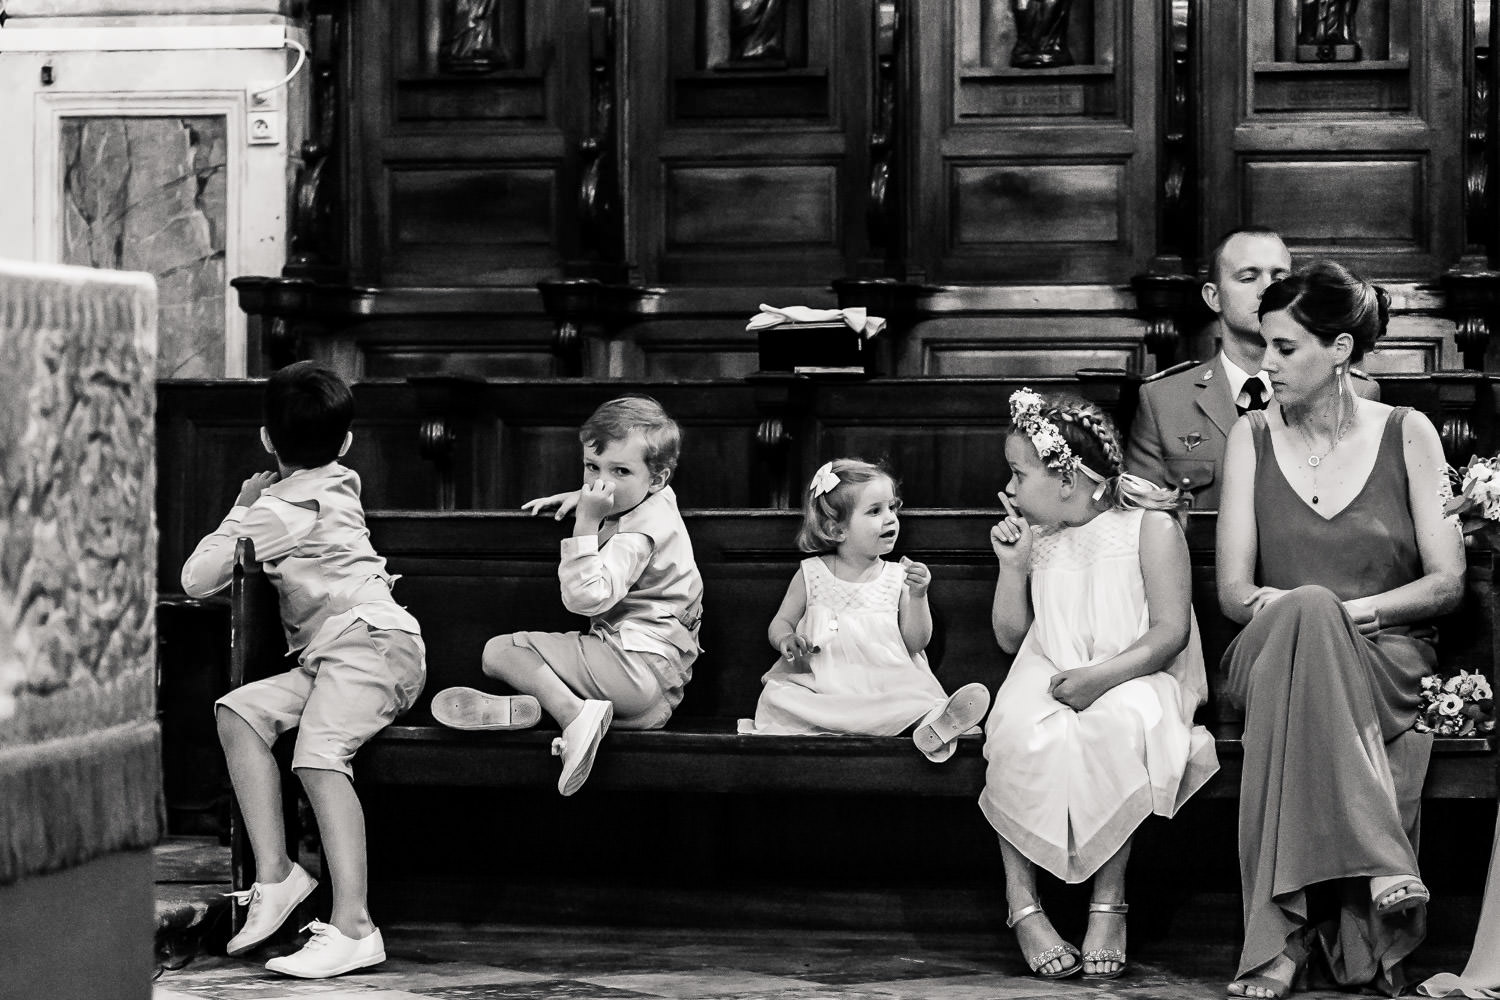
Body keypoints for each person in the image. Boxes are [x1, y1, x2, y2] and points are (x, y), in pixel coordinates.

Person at [1216, 261, 1464, 998]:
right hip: (1268, 655)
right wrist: (1314, 612)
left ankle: (1281, 942)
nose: (1265, 365)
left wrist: (1357, 612)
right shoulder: (1250, 437)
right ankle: (1383, 856)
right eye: (1263, 345)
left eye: (1285, 348)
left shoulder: (1409, 433)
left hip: (1383, 660)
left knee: (1320, 616)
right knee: (1307, 612)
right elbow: (1234, 593)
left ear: (1341, 350)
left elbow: (1447, 583)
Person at [181, 361, 426, 979]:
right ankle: (279, 874)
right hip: (336, 654)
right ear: (345, 442)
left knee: (318, 756)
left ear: (266, 440)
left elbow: (196, 577)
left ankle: (354, 927)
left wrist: (241, 507)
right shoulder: (339, 477)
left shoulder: (281, 508)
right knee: (239, 713)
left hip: (373, 647)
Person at [984, 389, 1219, 981]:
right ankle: (1024, 905)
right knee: (1018, 734)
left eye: (1018, 473)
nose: (1008, 489)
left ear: (1067, 480)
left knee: (1115, 729)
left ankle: (1107, 902)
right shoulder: (1039, 539)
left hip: (1137, 669)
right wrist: (1013, 569)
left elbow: (1168, 633)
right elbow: (1013, 639)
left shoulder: (1150, 529)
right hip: (1050, 667)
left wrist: (1099, 679)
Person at [429, 396, 703, 797]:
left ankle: (575, 714)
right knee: (550, 682)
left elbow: (584, 599)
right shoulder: (657, 502)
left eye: (619, 471)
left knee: (501, 652)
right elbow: (629, 494)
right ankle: (554, 713)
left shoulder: (635, 538)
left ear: (657, 478)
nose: (601, 483)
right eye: (593, 467)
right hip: (656, 697)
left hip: (632, 666)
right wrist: (586, 494)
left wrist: (588, 520)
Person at [738, 458, 992, 761]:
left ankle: (933, 723)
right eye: (875, 511)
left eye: (892, 507)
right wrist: (785, 639)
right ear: (837, 529)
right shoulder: (811, 573)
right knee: (781, 697)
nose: (891, 519)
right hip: (825, 688)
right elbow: (781, 621)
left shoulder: (897, 575)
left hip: (883, 687)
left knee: (910, 700)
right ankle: (923, 722)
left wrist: (919, 595)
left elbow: (915, 642)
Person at [1125, 227, 1378, 508]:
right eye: (1248, 277)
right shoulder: (1163, 400)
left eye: (1279, 278)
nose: (1267, 290)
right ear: (1213, 297)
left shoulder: (1356, 391)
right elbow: (1142, 523)